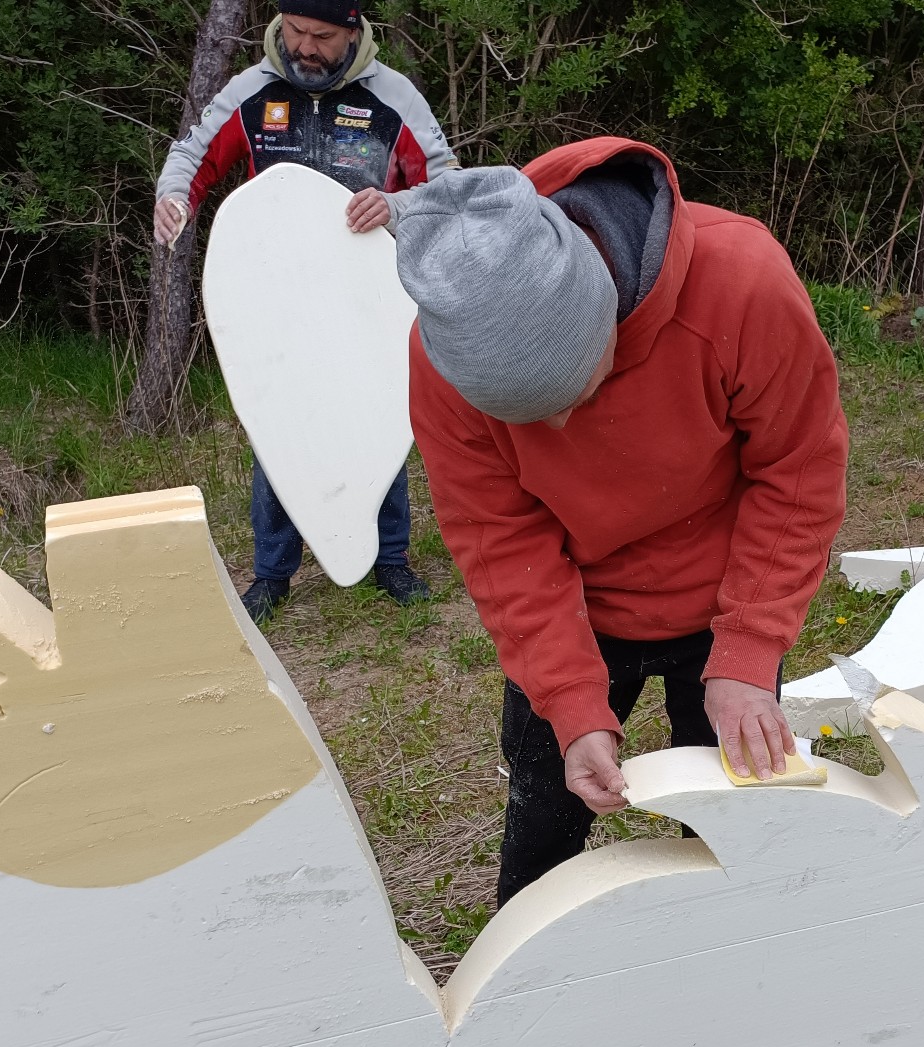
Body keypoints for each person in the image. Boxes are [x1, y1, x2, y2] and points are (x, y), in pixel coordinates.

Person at [368, 139, 849, 906]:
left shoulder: (740, 284)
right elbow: (499, 538)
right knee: (543, 821)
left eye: (575, 391)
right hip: (575, 609)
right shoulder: (442, 360)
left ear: (600, 308)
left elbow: (796, 470)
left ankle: (730, 945)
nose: (558, 431)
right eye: (524, 418)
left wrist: (748, 649)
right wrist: (567, 698)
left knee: (735, 834)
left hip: (722, 590)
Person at [154, 0, 457, 618]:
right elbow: (192, 157)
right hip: (279, 302)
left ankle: (389, 560)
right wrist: (174, 195)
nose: (305, 47)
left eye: (321, 36)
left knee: (375, 417)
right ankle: (272, 574)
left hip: (368, 300)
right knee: (281, 422)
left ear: (353, 31)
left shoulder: (394, 98)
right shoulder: (251, 91)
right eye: (295, 32)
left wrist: (397, 207)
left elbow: (450, 184)